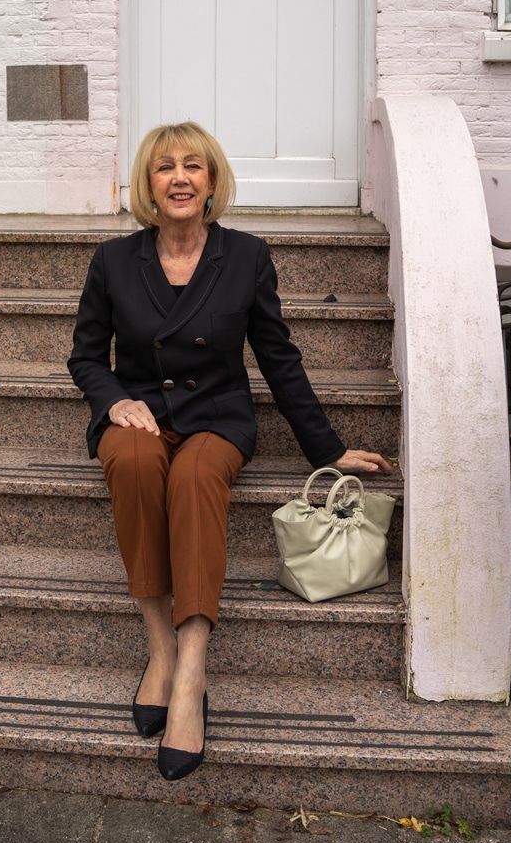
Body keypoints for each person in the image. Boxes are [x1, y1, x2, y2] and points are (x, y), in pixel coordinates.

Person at [67, 122, 390, 782]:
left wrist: (326, 450)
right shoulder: (112, 260)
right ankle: (158, 648)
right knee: (128, 460)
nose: (179, 178)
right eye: (164, 168)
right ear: (148, 185)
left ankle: (189, 671)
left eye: (193, 166)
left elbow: (277, 358)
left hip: (216, 417)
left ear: (211, 181)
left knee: (192, 481)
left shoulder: (245, 256)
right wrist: (111, 401)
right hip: (139, 414)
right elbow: (83, 355)